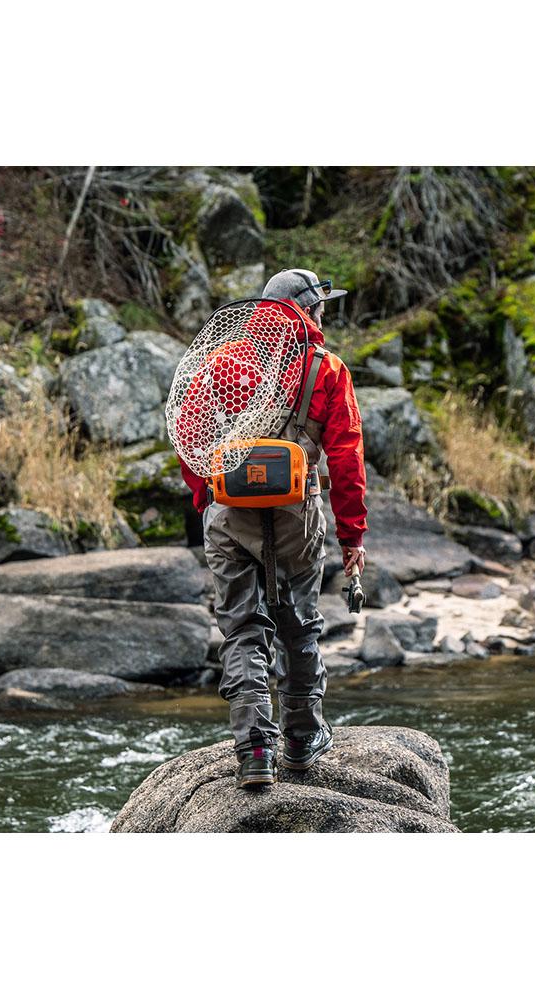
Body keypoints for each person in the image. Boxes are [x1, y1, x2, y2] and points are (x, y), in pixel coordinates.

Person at [177, 268, 368, 787]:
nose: (324, 314)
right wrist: (352, 537)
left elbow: (188, 442)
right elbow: (346, 458)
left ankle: (256, 751)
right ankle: (302, 740)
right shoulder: (327, 369)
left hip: (228, 516)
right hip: (296, 517)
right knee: (298, 625)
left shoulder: (221, 362)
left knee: (242, 629)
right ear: (308, 309)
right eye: (321, 306)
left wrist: (207, 497)